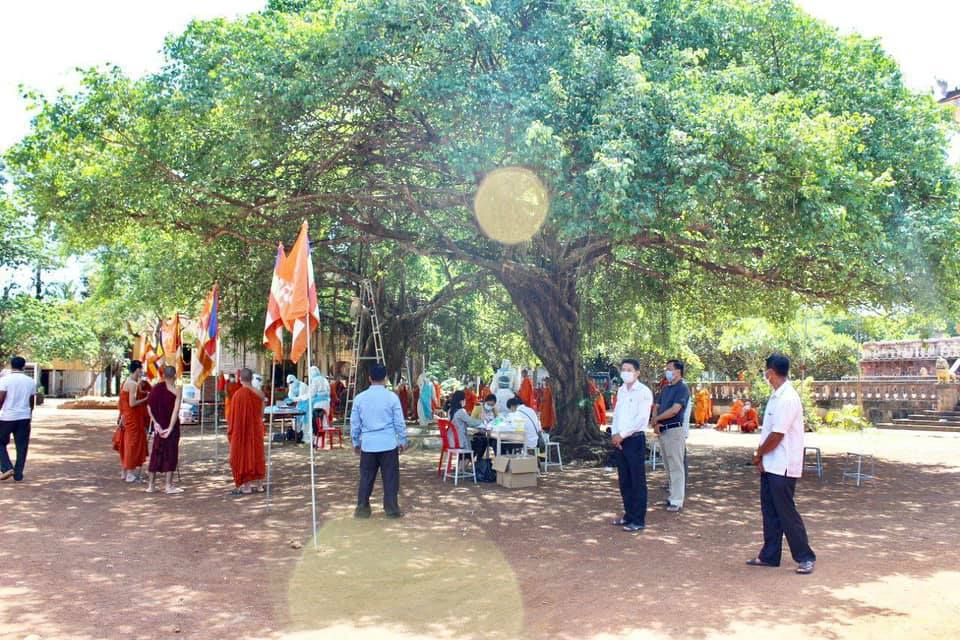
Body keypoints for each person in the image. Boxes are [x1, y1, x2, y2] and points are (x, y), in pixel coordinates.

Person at [747, 354, 816, 575]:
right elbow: (768, 432)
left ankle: (805, 556)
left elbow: (777, 435)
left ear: (770, 372)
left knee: (786, 512)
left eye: (765, 372)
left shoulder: (788, 398)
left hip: (783, 465)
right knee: (770, 511)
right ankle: (770, 554)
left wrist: (759, 454)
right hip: (771, 463)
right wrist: (762, 458)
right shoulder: (776, 396)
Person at [351, 363, 407, 519]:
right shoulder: (392, 398)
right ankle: (392, 510)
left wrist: (356, 442)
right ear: (386, 378)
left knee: (366, 478)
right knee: (390, 478)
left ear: (369, 378)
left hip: (368, 444)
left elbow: (355, 423)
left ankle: (362, 509)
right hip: (388, 443)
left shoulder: (360, 398)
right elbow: (399, 422)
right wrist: (402, 440)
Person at [609, 359, 653, 532]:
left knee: (637, 480)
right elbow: (617, 414)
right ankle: (628, 515)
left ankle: (638, 519)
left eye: (629, 369)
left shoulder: (643, 392)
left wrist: (623, 434)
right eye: (623, 369)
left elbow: (641, 419)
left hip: (634, 439)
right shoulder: (621, 391)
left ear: (637, 373)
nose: (625, 372)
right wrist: (615, 434)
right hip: (620, 440)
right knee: (624, 480)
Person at [652, 360, 691, 513]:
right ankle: (671, 496)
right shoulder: (666, 388)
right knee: (668, 466)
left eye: (670, 369)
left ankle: (677, 500)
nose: (667, 372)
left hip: (675, 430)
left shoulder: (682, 388)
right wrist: (655, 422)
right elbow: (657, 406)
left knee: (676, 466)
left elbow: (675, 410)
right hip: (663, 430)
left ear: (678, 371)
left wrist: (657, 419)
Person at [228, 368, 267, 495]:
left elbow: (232, 417)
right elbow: (261, 414)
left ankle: (247, 487)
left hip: (242, 431)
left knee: (244, 455)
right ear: (251, 379)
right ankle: (260, 486)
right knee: (257, 455)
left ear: (240, 379)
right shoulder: (260, 394)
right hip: (256, 429)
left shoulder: (237, 395)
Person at [146, 366, 183, 494]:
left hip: (159, 427)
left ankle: (151, 486)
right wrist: (170, 428)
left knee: (156, 453)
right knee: (171, 454)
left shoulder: (156, 388)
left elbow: (149, 407)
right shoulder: (177, 391)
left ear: (163, 375)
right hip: (170, 428)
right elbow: (175, 411)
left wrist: (156, 423)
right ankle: (168, 486)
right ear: (175, 376)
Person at [0, 356, 37, 482]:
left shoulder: (5, 380)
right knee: (22, 446)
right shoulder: (30, 381)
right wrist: (29, 415)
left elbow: (1, 398)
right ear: (24, 366)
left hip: (7, 417)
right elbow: (31, 401)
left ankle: (7, 467)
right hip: (24, 417)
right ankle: (18, 474)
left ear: (11, 365)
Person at [118, 360, 151, 482]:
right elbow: (132, 403)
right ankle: (130, 474)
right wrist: (146, 399)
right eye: (141, 369)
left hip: (128, 416)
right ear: (137, 370)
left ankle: (125, 472)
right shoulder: (132, 384)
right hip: (133, 417)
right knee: (132, 444)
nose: (142, 371)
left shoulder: (126, 381)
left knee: (128, 444)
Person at [448, 390, 483, 458]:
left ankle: (461, 463)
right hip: (459, 441)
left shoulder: (450, 411)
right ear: (461, 401)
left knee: (474, 441)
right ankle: (463, 464)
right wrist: (482, 421)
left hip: (451, 440)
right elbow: (471, 422)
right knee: (479, 442)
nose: (465, 401)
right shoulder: (461, 411)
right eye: (465, 399)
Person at [470, 394, 498, 459]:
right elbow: (471, 421)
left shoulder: (494, 410)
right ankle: (478, 460)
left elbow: (498, 420)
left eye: (492, 405)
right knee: (481, 442)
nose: (490, 406)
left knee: (496, 443)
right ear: (485, 402)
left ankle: (499, 461)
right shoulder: (478, 408)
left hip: (491, 434)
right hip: (479, 433)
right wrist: (480, 425)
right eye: (488, 404)